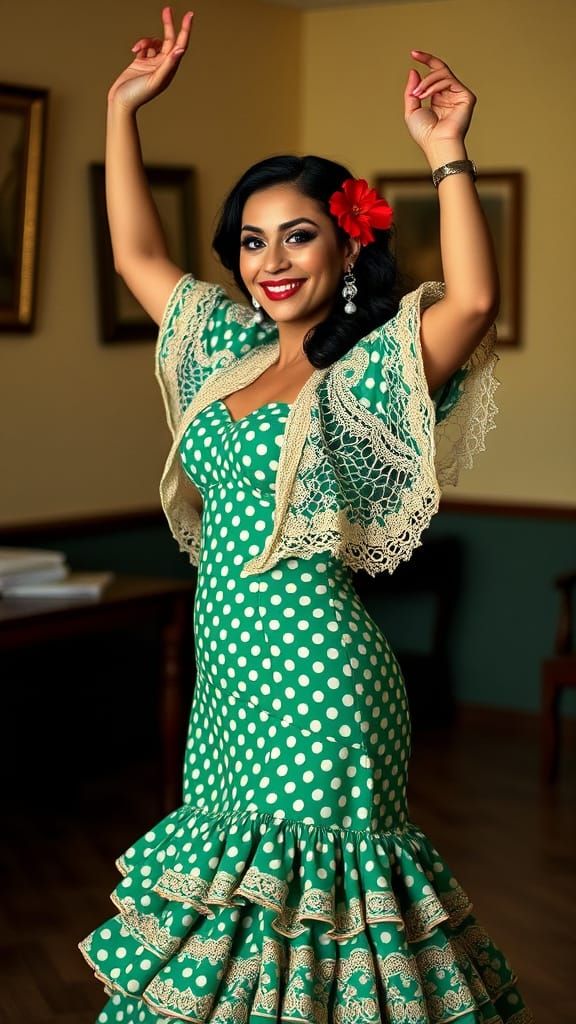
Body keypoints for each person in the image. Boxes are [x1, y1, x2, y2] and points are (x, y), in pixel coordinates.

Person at [80, 8, 534, 1023]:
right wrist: (123, 112)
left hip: (321, 683)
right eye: (251, 240)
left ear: (347, 242)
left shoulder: (369, 365)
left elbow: (469, 302)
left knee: (322, 937)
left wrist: (447, 153)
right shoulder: (223, 348)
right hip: (229, 688)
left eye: (298, 235)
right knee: (237, 932)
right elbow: (136, 257)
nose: (270, 260)